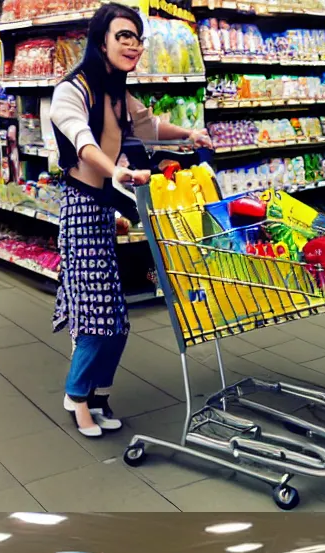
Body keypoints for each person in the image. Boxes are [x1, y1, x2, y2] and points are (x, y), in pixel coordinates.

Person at [50, 4, 212, 437]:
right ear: (100, 39)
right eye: (123, 35)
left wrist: (189, 135)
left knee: (118, 322)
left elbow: (148, 124)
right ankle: (76, 397)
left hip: (103, 211)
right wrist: (115, 170)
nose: (132, 45)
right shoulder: (74, 89)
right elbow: (79, 138)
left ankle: (98, 396)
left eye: (137, 38)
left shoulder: (118, 93)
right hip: (80, 211)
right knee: (95, 316)